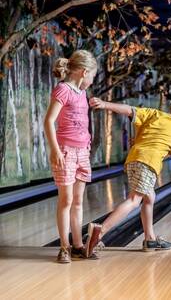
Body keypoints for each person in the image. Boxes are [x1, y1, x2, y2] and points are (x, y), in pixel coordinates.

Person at [85, 94, 171, 257]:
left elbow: (130, 110)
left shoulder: (155, 114)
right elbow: (165, 153)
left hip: (133, 159)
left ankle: (149, 239)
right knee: (134, 200)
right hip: (148, 163)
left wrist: (105, 104)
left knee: (150, 197)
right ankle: (99, 233)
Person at [44, 50, 97, 263]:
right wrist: (55, 150)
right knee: (65, 200)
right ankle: (64, 247)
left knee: (77, 201)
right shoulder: (63, 89)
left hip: (83, 152)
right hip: (65, 151)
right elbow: (48, 121)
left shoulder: (82, 93)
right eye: (92, 76)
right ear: (84, 72)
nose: (92, 81)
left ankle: (77, 245)